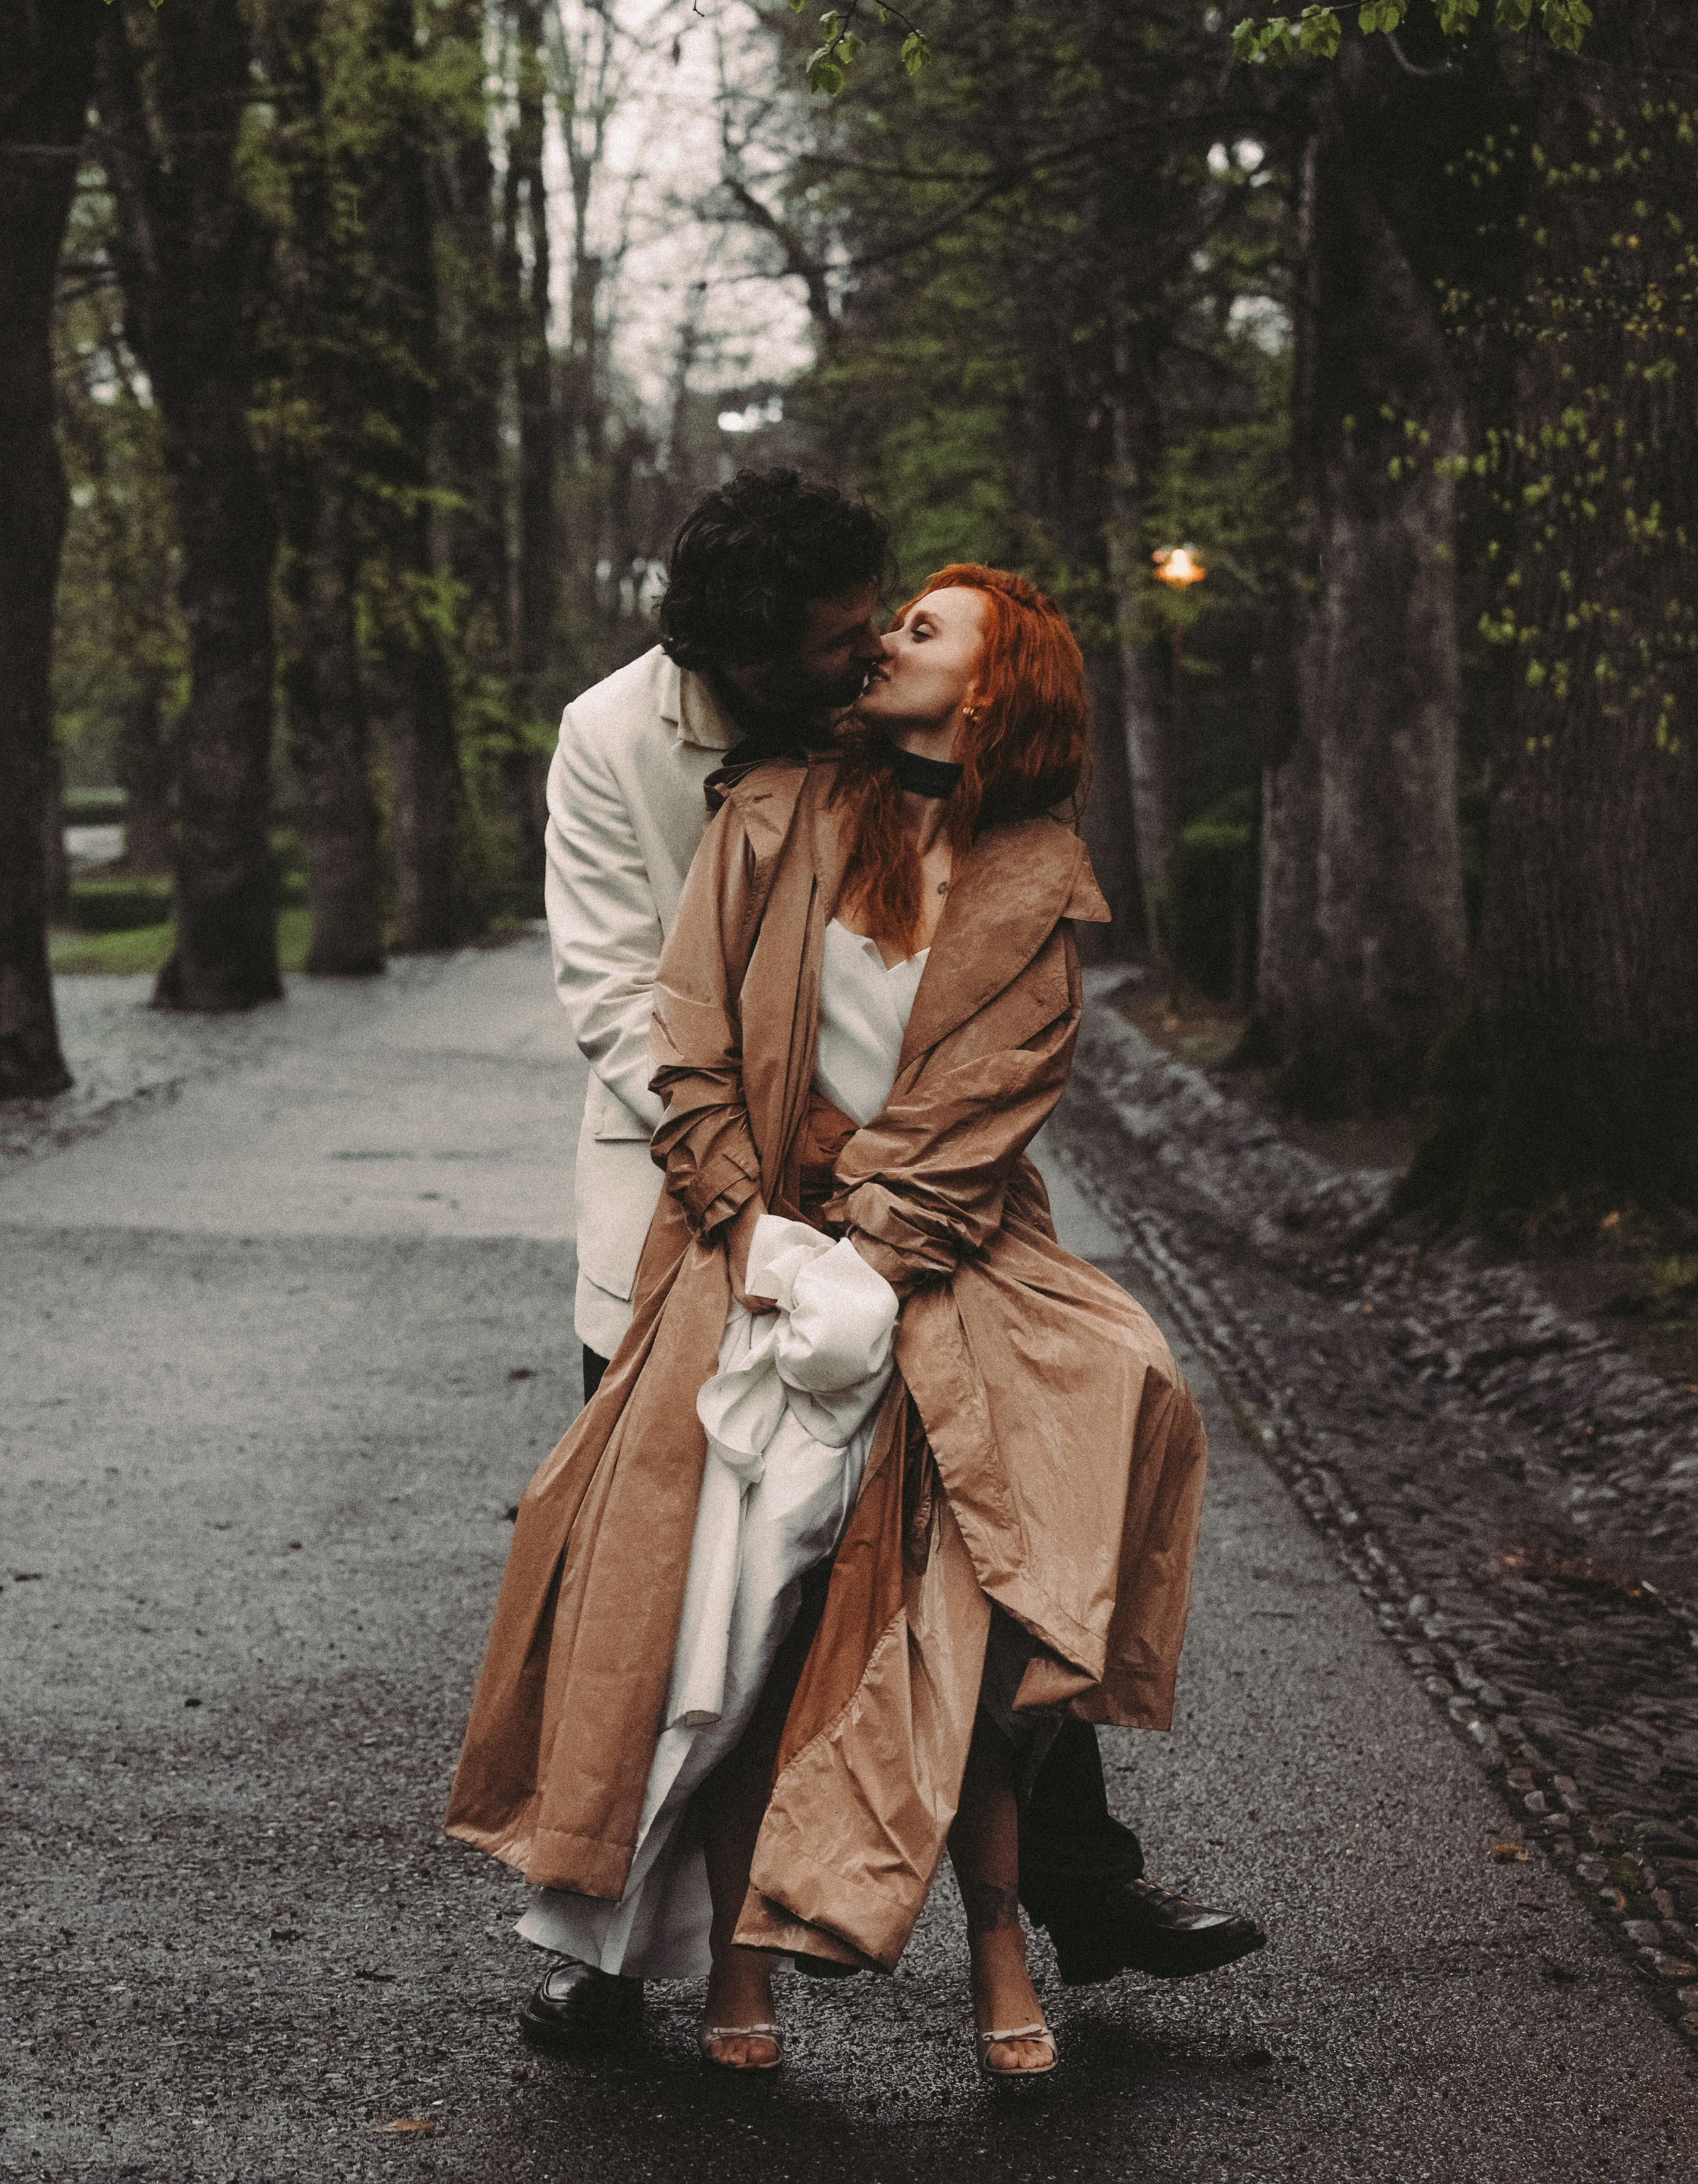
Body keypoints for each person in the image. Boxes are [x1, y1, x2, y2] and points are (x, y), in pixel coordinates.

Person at [451, 473, 1263, 2063]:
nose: (861, 655)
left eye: (880, 628)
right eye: (837, 643)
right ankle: (613, 1946)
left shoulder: (860, 738)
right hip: (692, 1186)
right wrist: (741, 1195)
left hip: (898, 1201)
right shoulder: (618, 742)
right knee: (669, 1572)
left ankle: (1077, 1891)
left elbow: (957, 961)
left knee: (992, 1507)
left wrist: (880, 1218)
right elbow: (624, 994)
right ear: (742, 659)